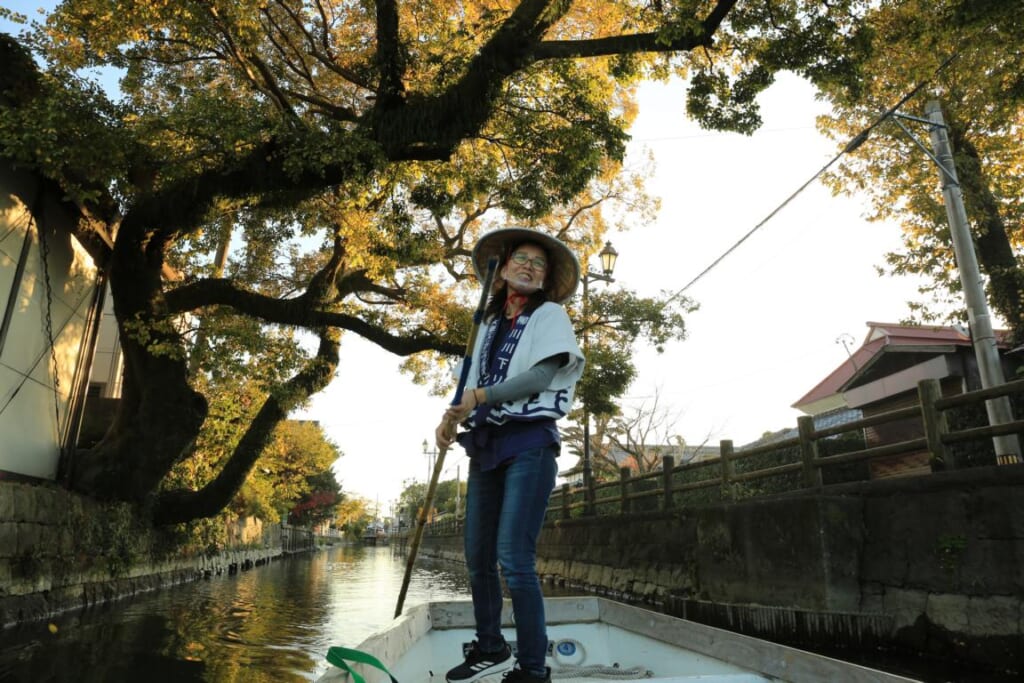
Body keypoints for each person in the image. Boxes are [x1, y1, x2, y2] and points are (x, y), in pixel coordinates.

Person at [435, 227, 585, 683]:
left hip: (530, 443)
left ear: (545, 278)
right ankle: (490, 646)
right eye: (521, 258)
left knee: (514, 559)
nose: (529, 267)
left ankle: (533, 668)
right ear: (501, 271)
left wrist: (480, 397)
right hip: (486, 446)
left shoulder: (549, 315)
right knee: (476, 556)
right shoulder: (486, 325)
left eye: (539, 264)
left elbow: (540, 377)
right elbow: (467, 385)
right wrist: (449, 419)